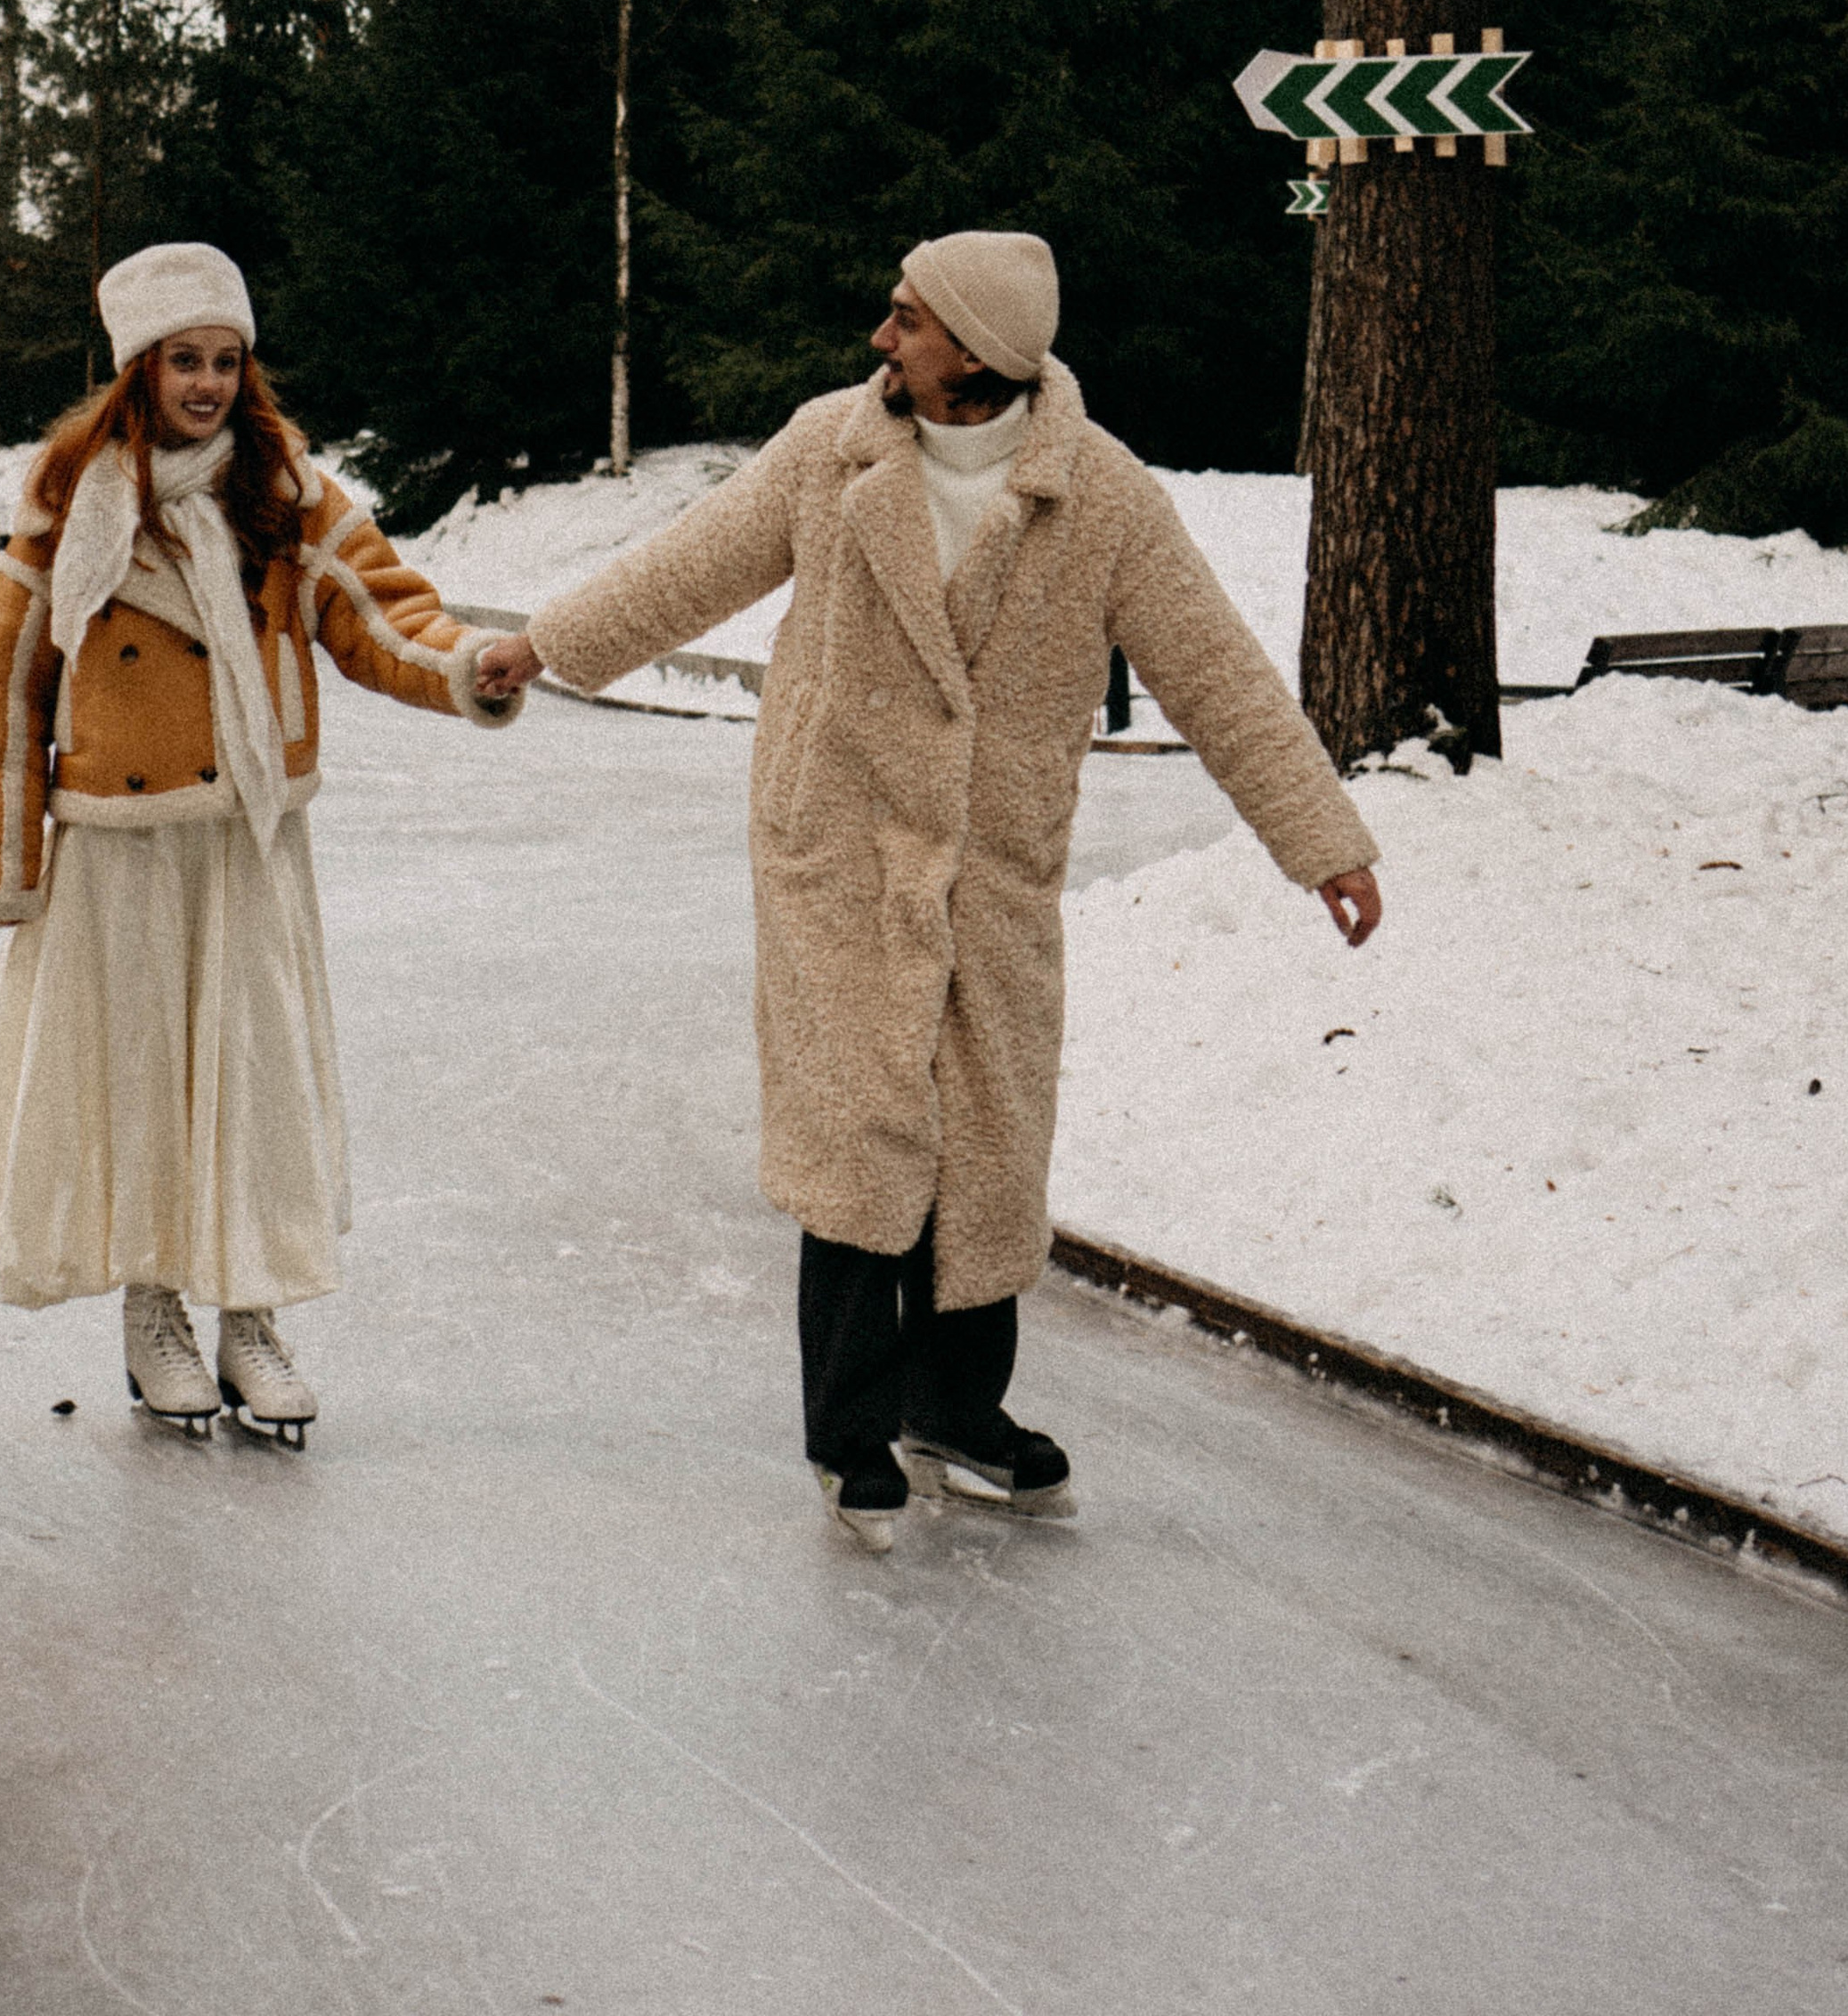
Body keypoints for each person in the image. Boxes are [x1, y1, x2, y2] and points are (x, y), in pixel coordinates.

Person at [476, 231, 1380, 1551]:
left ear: (983, 349)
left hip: (992, 864)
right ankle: (849, 1429)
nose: (881, 339)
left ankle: (957, 1409)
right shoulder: (830, 449)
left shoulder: (1103, 496)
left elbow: (1216, 670)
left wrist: (1324, 842)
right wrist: (543, 645)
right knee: (862, 1133)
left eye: (908, 321)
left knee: (985, 1136)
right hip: (835, 852)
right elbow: (693, 564)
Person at [0, 241, 520, 1444]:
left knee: (253, 1076)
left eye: (226, 361)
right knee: (143, 1080)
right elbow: (12, 691)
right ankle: (155, 1314)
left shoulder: (283, 486)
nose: (206, 383)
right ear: (138, 369)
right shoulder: (69, 495)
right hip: (122, 842)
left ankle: (250, 1313)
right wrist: (4, 863)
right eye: (184, 361)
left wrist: (461, 664)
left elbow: (374, 608)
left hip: (245, 831)